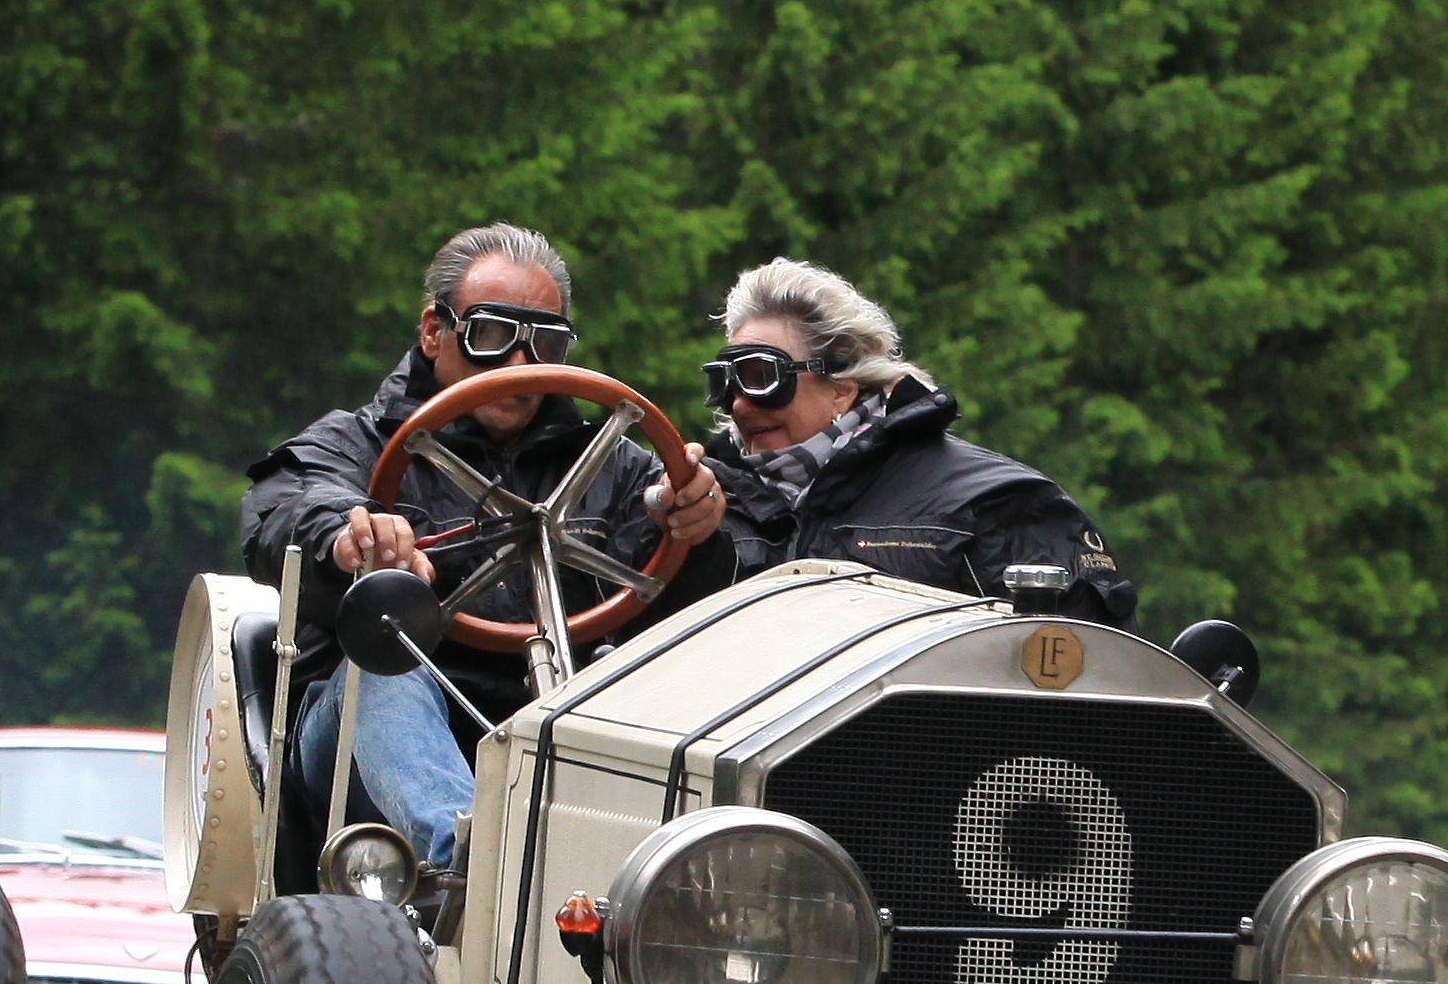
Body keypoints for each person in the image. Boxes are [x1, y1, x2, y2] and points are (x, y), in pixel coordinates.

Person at [238, 222, 721, 879]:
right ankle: (478, 870)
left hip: (558, 721)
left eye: (545, 343)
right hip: (367, 735)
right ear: (435, 332)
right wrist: (350, 537)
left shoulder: (617, 468)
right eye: (492, 335)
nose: (522, 367)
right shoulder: (353, 445)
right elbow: (287, 512)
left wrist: (691, 523)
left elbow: (679, 600)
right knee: (384, 669)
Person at [693, 257, 1130, 622]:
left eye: (760, 378)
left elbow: (1078, 677)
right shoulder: (695, 506)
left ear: (842, 387)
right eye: (725, 383)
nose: (739, 406)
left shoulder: (997, 505)